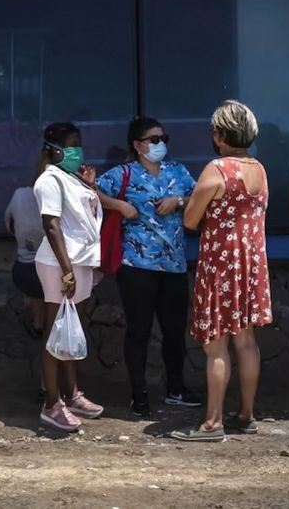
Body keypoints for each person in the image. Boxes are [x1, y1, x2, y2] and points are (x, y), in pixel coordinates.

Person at [170, 100, 272, 442]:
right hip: (252, 263)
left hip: (221, 263)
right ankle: (246, 414)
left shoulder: (217, 169)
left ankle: (212, 422)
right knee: (246, 341)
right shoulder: (259, 168)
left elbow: (190, 220)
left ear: (219, 135)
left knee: (216, 345)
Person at [96, 117, 200, 418]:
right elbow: (90, 191)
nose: (160, 144)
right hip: (136, 265)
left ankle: (176, 388)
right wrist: (119, 206)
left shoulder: (177, 171)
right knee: (139, 331)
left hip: (175, 265)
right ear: (138, 144)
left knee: (174, 330)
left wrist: (178, 201)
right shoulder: (123, 174)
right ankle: (138, 393)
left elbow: (200, 196)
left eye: (163, 137)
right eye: (153, 139)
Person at [33, 122, 104, 432]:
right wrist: (66, 270)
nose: (78, 150)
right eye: (72, 144)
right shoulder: (49, 180)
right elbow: (52, 225)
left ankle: (72, 394)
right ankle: (52, 404)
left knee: (71, 331)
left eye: (80, 143)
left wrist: (90, 187)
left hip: (80, 263)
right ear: (55, 149)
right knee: (55, 332)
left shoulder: (71, 178)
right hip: (61, 265)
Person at [5, 154, 48, 341]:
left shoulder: (20, 194)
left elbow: (8, 225)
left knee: (36, 289)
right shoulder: (70, 199)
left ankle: (38, 323)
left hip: (24, 270)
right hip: (57, 273)